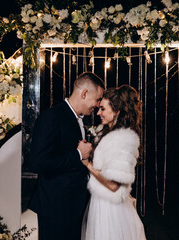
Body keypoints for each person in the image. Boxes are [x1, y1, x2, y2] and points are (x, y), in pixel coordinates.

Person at [28, 72, 105, 240]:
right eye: (98, 99)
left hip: (73, 205)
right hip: (56, 206)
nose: (98, 105)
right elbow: (38, 161)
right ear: (84, 93)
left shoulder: (79, 119)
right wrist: (77, 154)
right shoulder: (52, 116)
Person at [81, 85, 146, 240]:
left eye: (103, 109)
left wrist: (87, 164)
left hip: (111, 210)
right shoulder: (104, 132)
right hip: (99, 204)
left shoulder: (123, 138)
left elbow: (113, 185)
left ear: (116, 111)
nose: (98, 113)